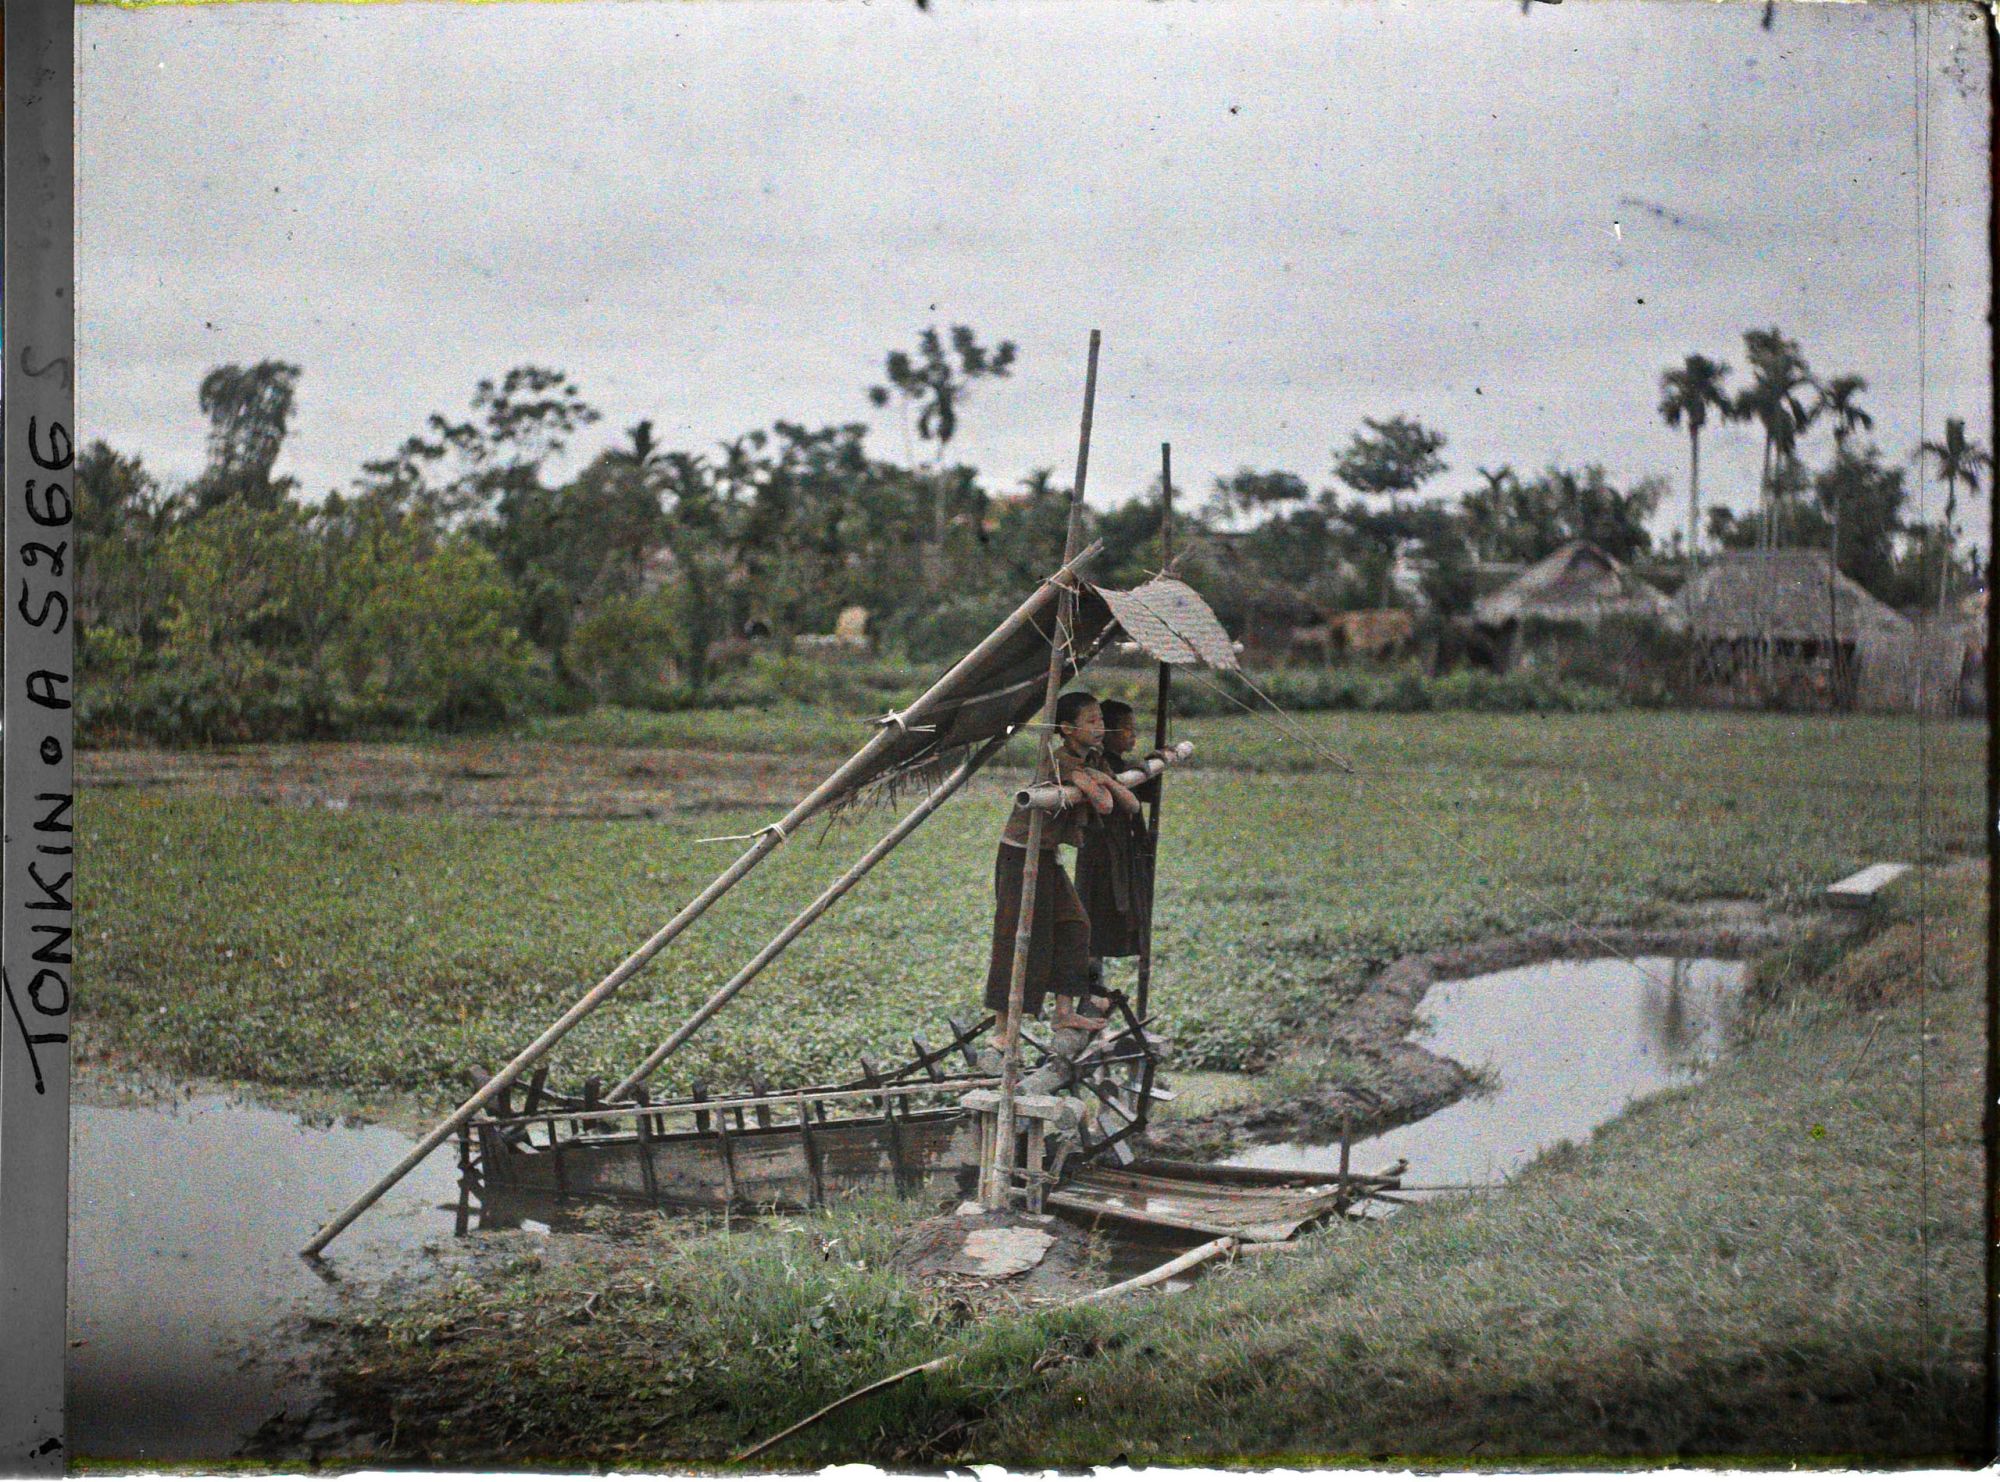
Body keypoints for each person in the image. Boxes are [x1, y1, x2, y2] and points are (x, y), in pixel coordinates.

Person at [983, 692, 1139, 1034]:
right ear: (1067, 729)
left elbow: (1130, 804)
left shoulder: (1092, 759)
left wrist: (1105, 778)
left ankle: (1064, 1012)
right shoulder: (1061, 762)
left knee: (1075, 925)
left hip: (1046, 854)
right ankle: (1001, 1031)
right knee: (1018, 937)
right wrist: (1097, 781)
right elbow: (1104, 804)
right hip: (1020, 853)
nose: (1100, 728)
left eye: (1101, 720)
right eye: (1092, 721)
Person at [1073, 700, 1157, 994]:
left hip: (1121, 853)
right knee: (1093, 922)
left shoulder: (1121, 765)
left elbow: (1145, 789)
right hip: (1100, 855)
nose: (1132, 735)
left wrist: (1150, 764)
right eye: (1126, 730)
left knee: (1108, 922)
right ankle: (1090, 990)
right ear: (1106, 733)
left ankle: (1095, 990)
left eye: (1134, 730)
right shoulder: (1096, 764)